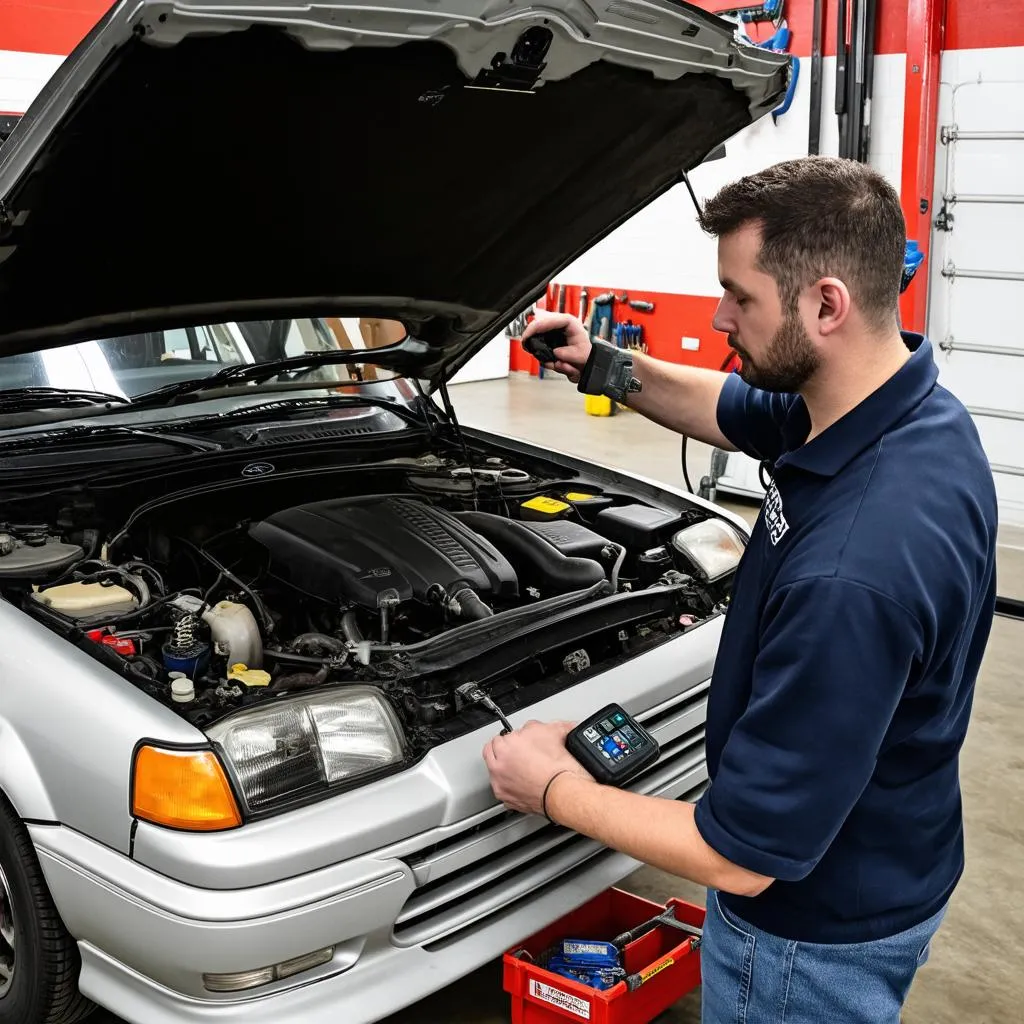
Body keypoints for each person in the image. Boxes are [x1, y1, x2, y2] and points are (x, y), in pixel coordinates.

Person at [482, 156, 998, 1023]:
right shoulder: (904, 409)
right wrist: (604, 364)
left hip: (805, 941)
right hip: (896, 847)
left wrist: (552, 791)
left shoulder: (855, 569)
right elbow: (732, 407)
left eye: (739, 296)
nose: (719, 317)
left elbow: (743, 857)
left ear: (826, 304)